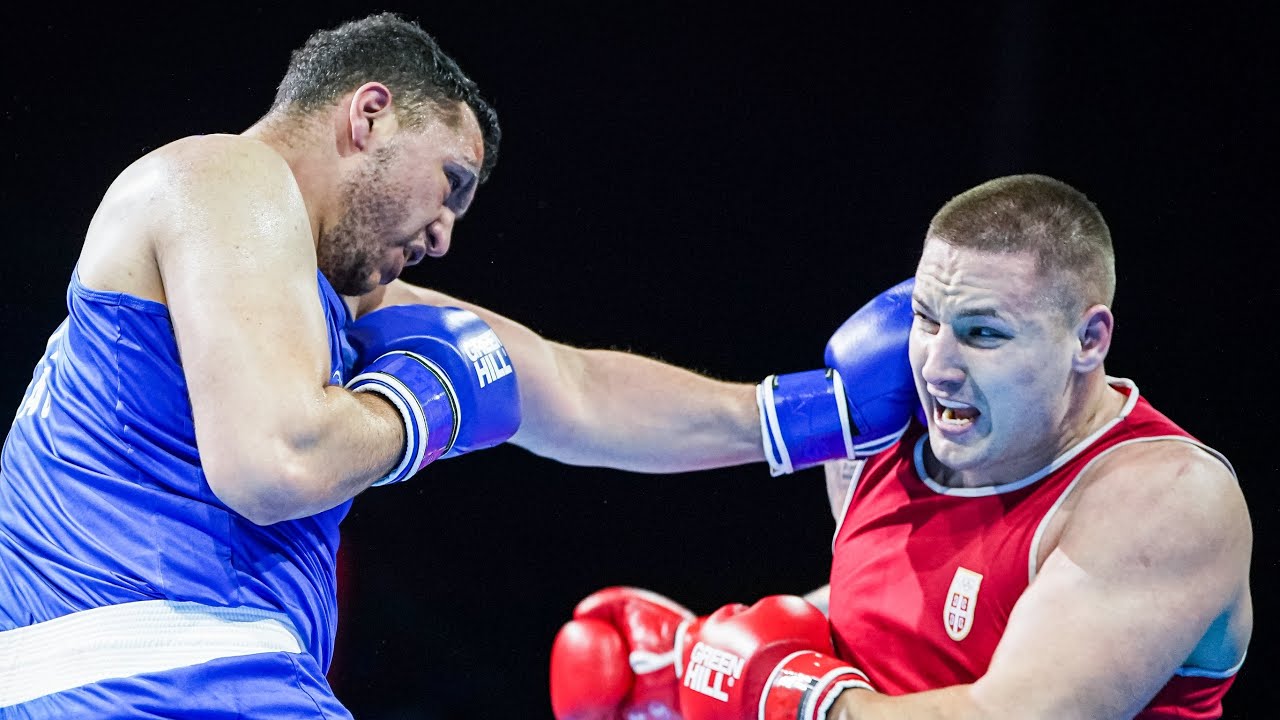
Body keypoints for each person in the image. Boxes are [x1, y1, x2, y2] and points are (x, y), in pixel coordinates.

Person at [0, 11, 916, 718]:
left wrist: (817, 415)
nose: (443, 236)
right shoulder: (223, 177)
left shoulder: (322, 299)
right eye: (451, 184)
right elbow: (277, 464)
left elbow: (574, 389)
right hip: (163, 682)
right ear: (370, 114)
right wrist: (420, 405)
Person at [548, 174, 1252, 720]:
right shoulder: (877, 436)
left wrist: (805, 701)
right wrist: (691, 661)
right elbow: (896, 614)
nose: (937, 366)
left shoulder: (1162, 500)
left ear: (1089, 340)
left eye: (983, 333)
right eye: (926, 319)